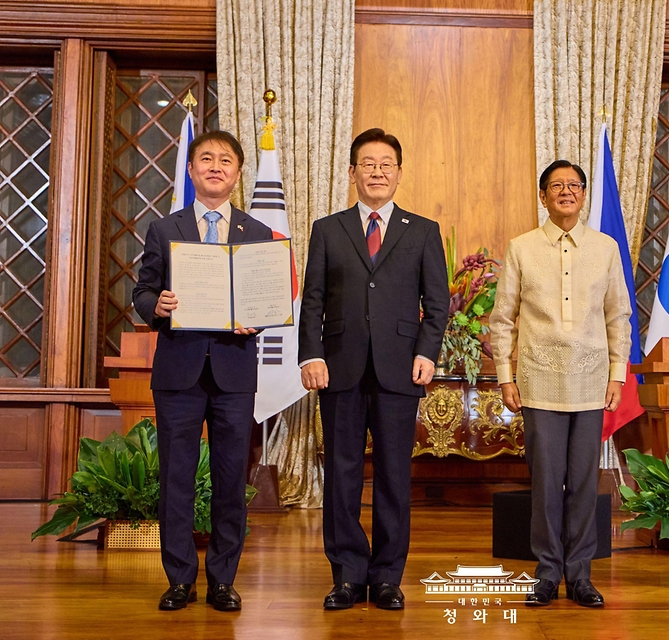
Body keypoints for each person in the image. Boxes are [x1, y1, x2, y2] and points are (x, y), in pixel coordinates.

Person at [299, 128, 449, 611]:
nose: (377, 171)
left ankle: (386, 576)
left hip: (401, 369)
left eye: (386, 164)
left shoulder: (422, 230)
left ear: (399, 173)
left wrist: (427, 352)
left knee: (391, 477)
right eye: (368, 163)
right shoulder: (328, 228)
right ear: (352, 172)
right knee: (341, 475)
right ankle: (346, 575)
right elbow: (314, 300)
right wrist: (311, 354)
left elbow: (438, 303)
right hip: (338, 369)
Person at [133, 130, 273, 612]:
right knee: (177, 478)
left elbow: (270, 298)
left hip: (234, 373)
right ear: (191, 172)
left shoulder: (257, 233)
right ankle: (178, 580)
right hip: (179, 372)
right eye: (206, 159)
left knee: (231, 479)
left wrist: (262, 310)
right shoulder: (164, 228)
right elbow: (142, 294)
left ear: (237, 174)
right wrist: (160, 304)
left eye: (226, 161)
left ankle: (221, 580)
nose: (216, 166)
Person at [488, 160, 633, 608]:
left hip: (591, 382)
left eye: (573, 185)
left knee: (585, 483)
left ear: (584, 195)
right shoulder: (521, 248)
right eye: (556, 186)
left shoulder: (606, 248)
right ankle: (548, 573)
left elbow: (618, 317)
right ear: (542, 196)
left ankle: (581, 575)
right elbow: (502, 320)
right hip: (538, 380)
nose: (566, 192)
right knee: (547, 483)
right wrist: (505, 377)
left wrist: (617, 375)